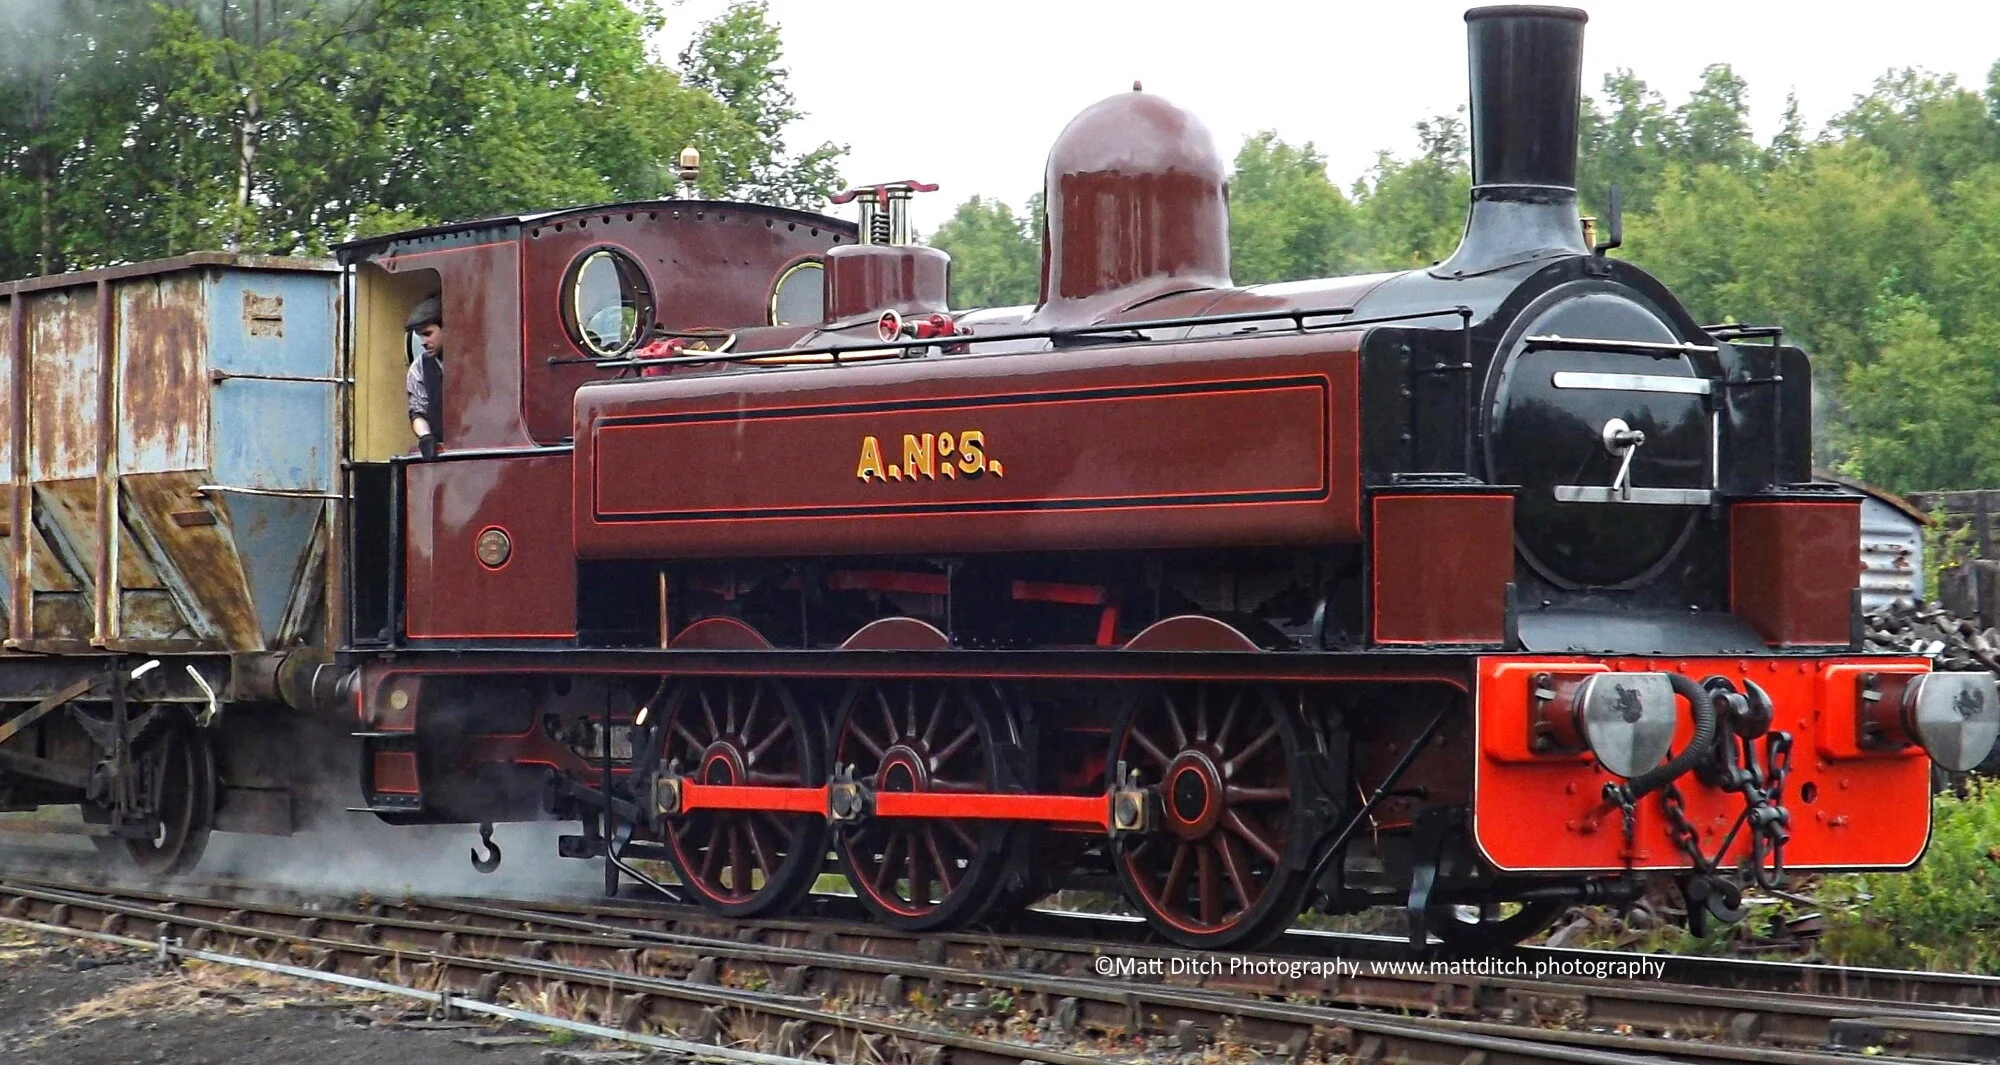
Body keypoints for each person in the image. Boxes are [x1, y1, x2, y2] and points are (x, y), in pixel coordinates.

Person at [405, 296, 444, 460]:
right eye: (420, 336)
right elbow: (418, 410)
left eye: (428, 334)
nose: (423, 342)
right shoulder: (419, 368)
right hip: (442, 452)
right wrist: (425, 436)